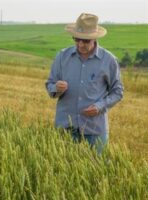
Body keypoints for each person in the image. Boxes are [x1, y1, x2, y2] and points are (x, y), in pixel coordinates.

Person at [45, 13, 123, 154]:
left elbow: (117, 91)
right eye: (77, 39)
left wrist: (99, 106)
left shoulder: (108, 60)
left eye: (85, 41)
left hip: (94, 130)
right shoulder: (62, 57)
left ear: (94, 38)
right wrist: (56, 88)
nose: (80, 44)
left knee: (97, 171)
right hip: (65, 128)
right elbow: (50, 86)